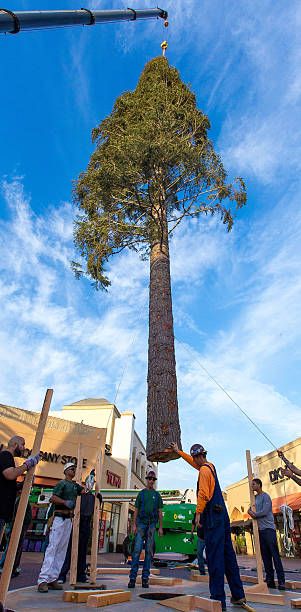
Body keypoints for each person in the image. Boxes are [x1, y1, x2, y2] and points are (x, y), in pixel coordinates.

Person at [171, 442, 245, 611]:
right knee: (228, 557)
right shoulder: (209, 467)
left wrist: (198, 513)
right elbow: (193, 463)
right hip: (223, 517)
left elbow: (203, 494)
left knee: (214, 558)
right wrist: (179, 452)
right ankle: (238, 595)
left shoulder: (203, 471)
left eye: (194, 458)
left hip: (213, 518)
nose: (194, 462)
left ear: (199, 457)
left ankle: (217, 600)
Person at [37, 462, 85, 593]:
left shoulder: (75, 486)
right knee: (53, 547)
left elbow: (85, 491)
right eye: (71, 468)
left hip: (68, 519)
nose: (74, 470)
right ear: (65, 471)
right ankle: (43, 579)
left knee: (62, 549)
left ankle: (53, 578)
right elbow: (53, 497)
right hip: (59, 517)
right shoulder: (61, 484)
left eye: (75, 469)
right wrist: (64, 502)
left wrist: (91, 480)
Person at [58, 485, 102, 583]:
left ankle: (80, 574)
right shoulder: (78, 494)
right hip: (77, 521)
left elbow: (95, 509)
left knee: (82, 551)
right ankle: (62, 574)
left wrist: (99, 501)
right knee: (70, 549)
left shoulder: (93, 497)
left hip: (86, 523)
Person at [128, 470, 163, 589]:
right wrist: (133, 525)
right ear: (146, 479)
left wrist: (160, 528)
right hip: (140, 525)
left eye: (153, 479)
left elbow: (160, 512)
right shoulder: (141, 494)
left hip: (152, 526)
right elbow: (136, 510)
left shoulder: (157, 496)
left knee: (148, 553)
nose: (151, 481)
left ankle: (145, 579)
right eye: (149, 479)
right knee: (137, 551)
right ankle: (132, 578)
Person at [248, 478, 285, 590]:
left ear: (259, 485)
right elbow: (250, 509)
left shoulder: (266, 497)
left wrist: (255, 514)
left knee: (275, 555)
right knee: (265, 557)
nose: (252, 486)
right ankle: (270, 580)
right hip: (260, 530)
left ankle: (281, 581)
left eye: (254, 484)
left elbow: (265, 511)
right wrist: (249, 512)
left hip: (268, 529)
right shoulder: (254, 498)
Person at [0, 436, 39, 535]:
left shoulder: (8, 458)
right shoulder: (6, 456)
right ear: (15, 444)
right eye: (23, 444)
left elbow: (7, 484)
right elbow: (10, 474)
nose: (24, 448)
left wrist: (22, 484)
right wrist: (28, 464)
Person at [0, 486, 32, 577]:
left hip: (21, 526)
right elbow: (15, 515)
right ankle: (8, 566)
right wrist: (13, 527)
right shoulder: (20, 500)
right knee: (14, 547)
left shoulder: (21, 499)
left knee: (15, 547)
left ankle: (10, 566)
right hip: (18, 526)